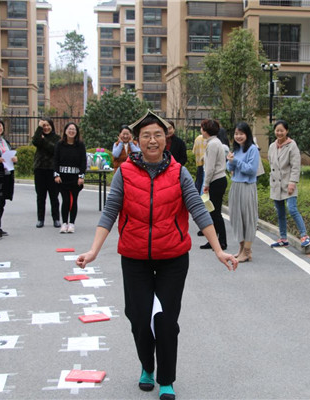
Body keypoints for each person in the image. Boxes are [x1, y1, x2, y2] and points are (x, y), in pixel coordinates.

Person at [75, 110, 237, 400]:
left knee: (165, 320)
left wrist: (218, 250)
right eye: (146, 136)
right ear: (137, 141)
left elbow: (199, 210)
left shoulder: (179, 173)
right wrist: (93, 250)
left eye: (158, 135)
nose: (152, 140)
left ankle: (166, 379)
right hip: (135, 256)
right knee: (138, 317)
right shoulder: (124, 172)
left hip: (172, 258)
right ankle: (146, 366)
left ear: (166, 139)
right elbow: (110, 211)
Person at [268, 120, 310, 248]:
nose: (279, 133)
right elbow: (271, 164)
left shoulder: (292, 145)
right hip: (276, 185)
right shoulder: (272, 146)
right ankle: (283, 238)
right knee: (280, 212)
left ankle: (304, 235)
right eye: (277, 130)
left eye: (282, 130)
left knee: (292, 209)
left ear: (287, 131)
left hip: (288, 184)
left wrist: (293, 182)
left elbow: (295, 166)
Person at [226, 122, 260, 262]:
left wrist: (236, 162)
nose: (238, 136)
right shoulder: (236, 149)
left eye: (241, 133)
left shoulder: (252, 149)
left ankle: (247, 251)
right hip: (236, 185)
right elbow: (229, 168)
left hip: (247, 186)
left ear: (247, 134)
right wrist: (230, 161)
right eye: (236, 134)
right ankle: (241, 249)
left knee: (248, 219)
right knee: (236, 218)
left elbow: (251, 170)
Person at [54, 122, 87, 233]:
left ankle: (72, 223)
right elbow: (55, 160)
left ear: (76, 132)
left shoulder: (80, 145)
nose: (71, 131)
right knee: (65, 200)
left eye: (74, 129)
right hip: (63, 178)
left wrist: (81, 176)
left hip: (75, 179)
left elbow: (83, 161)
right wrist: (56, 174)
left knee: (74, 200)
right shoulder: (59, 144)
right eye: (69, 129)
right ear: (65, 131)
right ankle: (64, 223)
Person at [200, 119, 228, 250]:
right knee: (214, 211)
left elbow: (210, 168)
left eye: (202, 128)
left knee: (214, 212)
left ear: (205, 130)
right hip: (219, 179)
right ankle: (216, 240)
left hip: (215, 180)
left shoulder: (212, 144)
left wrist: (205, 184)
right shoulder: (216, 143)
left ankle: (221, 241)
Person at [32, 118, 61, 228]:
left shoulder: (57, 138)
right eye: (43, 126)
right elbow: (35, 141)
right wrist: (39, 129)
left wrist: (43, 141)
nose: (46, 128)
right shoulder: (38, 136)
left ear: (52, 126)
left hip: (52, 170)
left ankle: (56, 219)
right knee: (40, 196)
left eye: (48, 125)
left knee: (54, 197)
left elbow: (54, 149)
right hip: (39, 169)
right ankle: (40, 219)